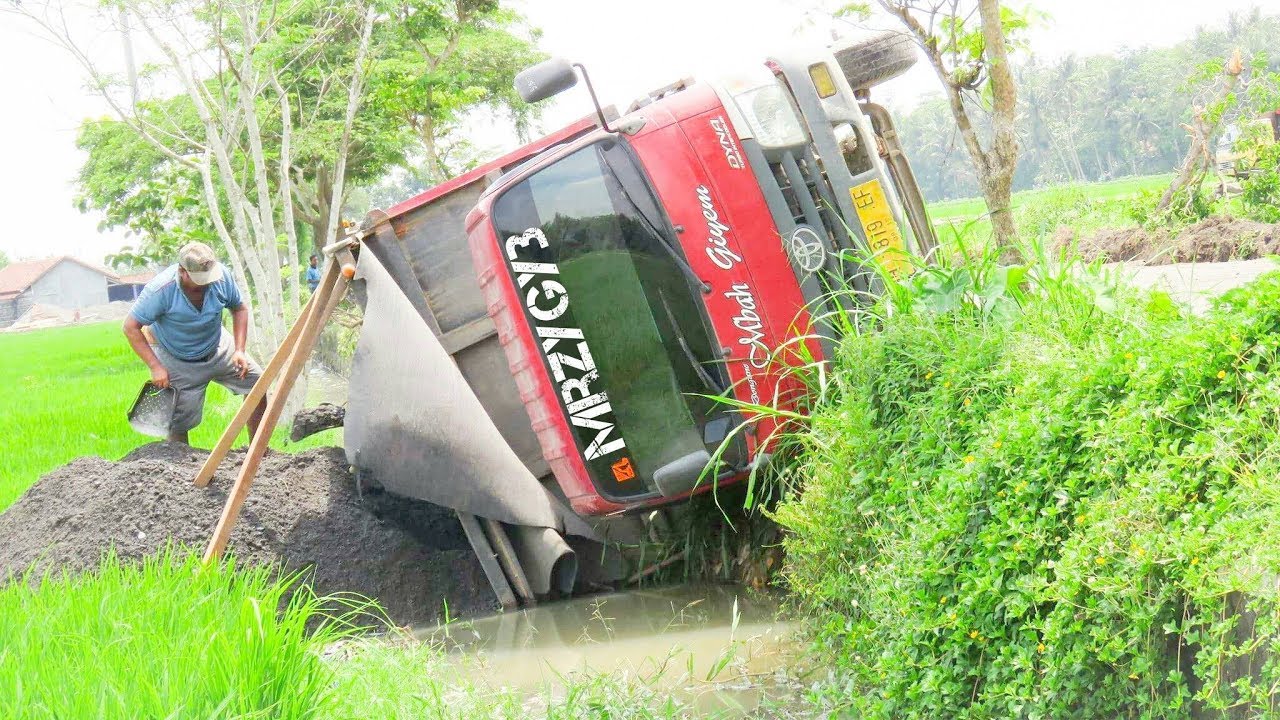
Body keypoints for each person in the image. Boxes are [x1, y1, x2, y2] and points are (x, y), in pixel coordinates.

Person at [122, 242, 265, 445]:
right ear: (183, 272)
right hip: (176, 356)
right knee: (178, 421)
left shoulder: (222, 277)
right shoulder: (161, 290)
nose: (206, 283)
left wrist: (240, 350)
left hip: (217, 345)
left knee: (258, 383)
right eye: (200, 279)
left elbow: (239, 308)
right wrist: (156, 367)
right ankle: (181, 470)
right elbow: (130, 327)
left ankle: (258, 451)